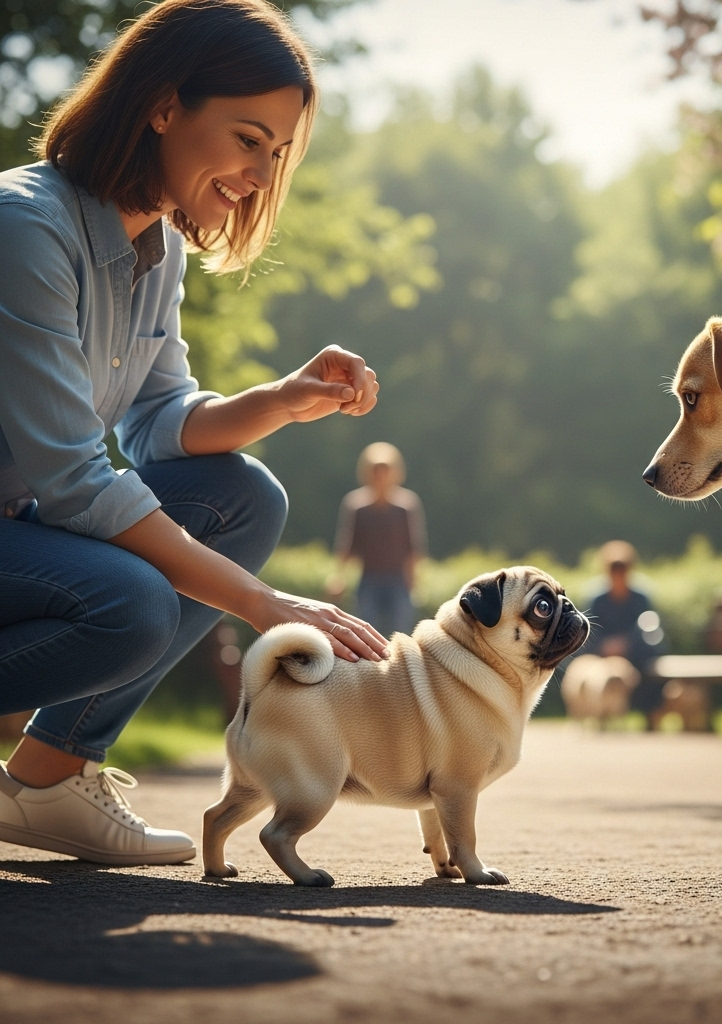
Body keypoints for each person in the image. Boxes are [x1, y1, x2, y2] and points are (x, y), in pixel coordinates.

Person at [0, 0, 389, 868]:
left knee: (242, 494)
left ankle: (48, 782)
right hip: (27, 517)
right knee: (128, 604)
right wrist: (264, 604)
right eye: (248, 138)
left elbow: (159, 427)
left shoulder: (157, 247)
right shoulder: (26, 226)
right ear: (164, 105)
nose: (259, 173)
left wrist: (282, 400)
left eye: (275, 153)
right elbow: (77, 482)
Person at [334, 443, 427, 638]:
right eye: (376, 471)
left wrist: (413, 584)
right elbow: (348, 546)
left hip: (398, 582)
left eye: (385, 471)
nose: (380, 476)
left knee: (401, 632)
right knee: (365, 632)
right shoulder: (356, 506)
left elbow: (413, 549)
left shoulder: (406, 507)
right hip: (369, 580)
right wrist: (338, 578)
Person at [578, 541, 666, 717]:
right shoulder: (597, 599)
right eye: (614, 570)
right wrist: (605, 645)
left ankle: (651, 713)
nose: (618, 575)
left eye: (622, 569)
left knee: (653, 660)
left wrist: (627, 644)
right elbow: (589, 630)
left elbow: (648, 628)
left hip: (634, 653)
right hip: (602, 653)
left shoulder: (641, 598)